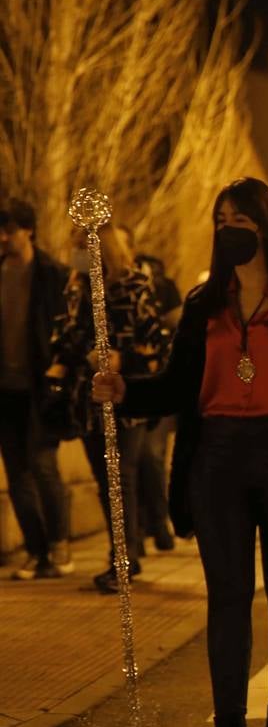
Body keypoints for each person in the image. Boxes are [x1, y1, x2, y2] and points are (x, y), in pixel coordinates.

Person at [92, 177, 268, 727]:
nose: (228, 229)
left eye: (240, 218)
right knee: (228, 600)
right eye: (221, 218)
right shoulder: (202, 304)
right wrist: (127, 390)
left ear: (266, 226)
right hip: (218, 459)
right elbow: (181, 386)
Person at [50, 224, 165, 593]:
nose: (79, 252)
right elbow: (64, 331)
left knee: (122, 476)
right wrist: (79, 352)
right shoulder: (75, 287)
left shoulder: (133, 286)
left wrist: (122, 357)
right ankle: (126, 550)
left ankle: (124, 559)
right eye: (77, 245)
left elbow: (153, 341)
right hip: (88, 397)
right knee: (105, 480)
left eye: (86, 245)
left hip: (125, 395)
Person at [0, 198, 73, 580]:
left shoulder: (51, 274)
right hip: (5, 389)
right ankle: (36, 550)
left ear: (28, 230)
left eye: (9, 229)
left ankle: (59, 543)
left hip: (39, 385)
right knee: (16, 473)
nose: (2, 237)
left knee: (43, 465)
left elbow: (65, 329)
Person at [127, 227, 182, 552]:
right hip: (133, 387)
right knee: (131, 463)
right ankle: (140, 533)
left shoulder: (161, 287)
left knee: (152, 456)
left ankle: (159, 523)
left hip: (157, 381)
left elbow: (176, 325)